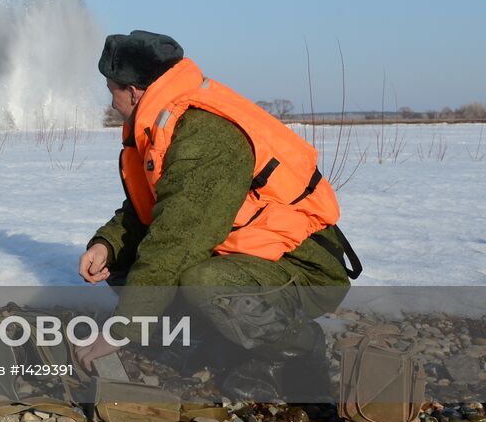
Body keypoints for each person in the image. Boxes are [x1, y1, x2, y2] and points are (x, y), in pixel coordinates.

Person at [73, 30, 360, 399]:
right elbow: (157, 208)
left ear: (133, 91)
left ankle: (298, 351)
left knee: (202, 281)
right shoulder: (166, 124)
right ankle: (223, 340)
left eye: (111, 90)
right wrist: (108, 245)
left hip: (302, 268)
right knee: (128, 269)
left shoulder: (205, 136)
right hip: (247, 257)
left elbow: (175, 242)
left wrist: (118, 332)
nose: (111, 103)